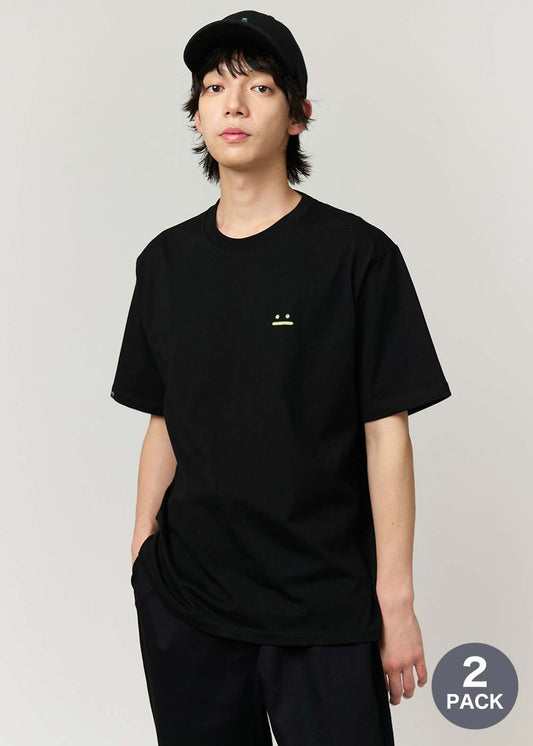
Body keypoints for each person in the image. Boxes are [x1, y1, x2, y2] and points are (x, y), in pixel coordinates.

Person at [110, 10, 452, 745]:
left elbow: (386, 431)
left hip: (323, 607)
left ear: (297, 116)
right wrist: (142, 550)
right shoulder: (165, 264)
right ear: (196, 115)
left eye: (259, 87)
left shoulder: (357, 256)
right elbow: (163, 417)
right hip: (189, 603)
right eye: (213, 88)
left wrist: (394, 600)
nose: (232, 105)